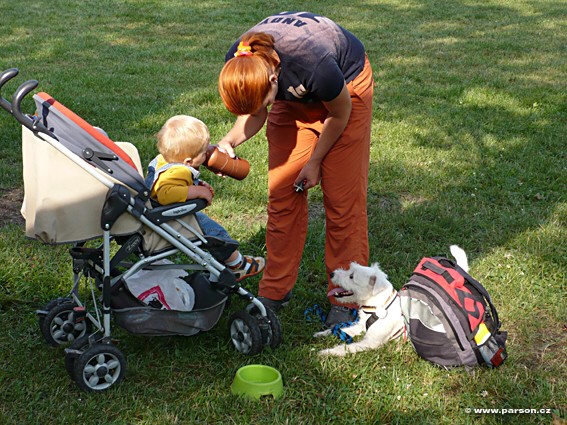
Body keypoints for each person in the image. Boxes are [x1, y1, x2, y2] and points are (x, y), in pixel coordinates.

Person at [217, 12, 374, 326]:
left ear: (274, 80)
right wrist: (229, 141)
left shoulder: (314, 64)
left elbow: (339, 114)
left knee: (343, 203)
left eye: (264, 101)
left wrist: (314, 162)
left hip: (345, 92)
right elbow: (255, 111)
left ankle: (347, 296)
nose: (261, 108)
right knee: (282, 197)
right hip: (295, 97)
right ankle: (275, 290)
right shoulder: (241, 60)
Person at [145, 115, 265, 282]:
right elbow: (166, 194)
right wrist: (198, 192)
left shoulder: (163, 160)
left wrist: (196, 184)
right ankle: (237, 265)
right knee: (214, 233)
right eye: (203, 151)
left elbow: (171, 183)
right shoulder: (179, 171)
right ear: (188, 161)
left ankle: (224, 263)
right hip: (171, 218)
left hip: (159, 214)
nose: (208, 151)